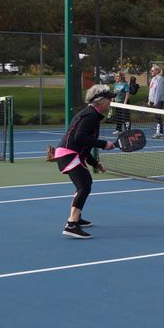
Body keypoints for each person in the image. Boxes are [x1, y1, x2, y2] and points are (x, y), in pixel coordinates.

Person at [54, 85, 117, 238]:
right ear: (100, 101)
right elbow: (80, 138)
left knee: (83, 185)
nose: (110, 102)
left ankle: (77, 218)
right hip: (69, 154)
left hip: (70, 154)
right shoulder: (91, 116)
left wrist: (95, 163)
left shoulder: (91, 114)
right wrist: (103, 144)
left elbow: (84, 144)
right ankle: (71, 225)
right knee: (84, 185)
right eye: (108, 99)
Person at [147, 64, 164, 138]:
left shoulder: (159, 79)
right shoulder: (153, 79)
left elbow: (159, 91)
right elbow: (151, 90)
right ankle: (160, 132)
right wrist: (149, 100)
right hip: (152, 101)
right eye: (151, 70)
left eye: (152, 70)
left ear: (157, 71)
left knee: (158, 116)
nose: (151, 71)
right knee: (156, 116)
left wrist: (156, 101)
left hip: (158, 101)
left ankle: (159, 132)